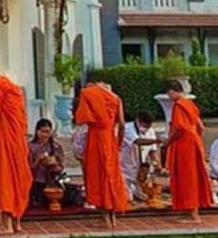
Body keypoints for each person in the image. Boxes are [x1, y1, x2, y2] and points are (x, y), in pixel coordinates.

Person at [0, 70, 32, 234]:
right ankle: (17, 223)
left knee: (4, 176)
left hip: (4, 135)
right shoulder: (15, 89)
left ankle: (5, 225)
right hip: (18, 138)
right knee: (17, 176)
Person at [74, 81, 128, 228]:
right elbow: (122, 124)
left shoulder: (89, 94)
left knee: (98, 175)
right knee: (111, 175)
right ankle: (113, 218)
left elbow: (80, 119)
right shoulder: (116, 98)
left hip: (96, 139)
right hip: (110, 138)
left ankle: (105, 218)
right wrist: (119, 143)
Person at [164, 80, 213, 221]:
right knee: (194, 174)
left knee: (186, 176)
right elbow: (200, 127)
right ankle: (190, 210)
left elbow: (179, 128)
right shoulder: (189, 104)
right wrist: (197, 140)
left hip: (184, 144)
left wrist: (168, 142)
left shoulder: (179, 105)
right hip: (194, 141)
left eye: (169, 94)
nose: (169, 97)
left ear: (172, 91)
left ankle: (193, 214)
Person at [28, 118, 83, 208]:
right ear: (37, 131)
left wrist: (55, 166)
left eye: (48, 132)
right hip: (37, 181)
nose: (45, 135)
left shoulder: (55, 146)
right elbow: (28, 168)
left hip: (53, 180)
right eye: (43, 131)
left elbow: (61, 167)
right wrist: (38, 161)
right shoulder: (30, 147)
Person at [120, 110, 158, 203]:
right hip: (126, 166)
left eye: (148, 127)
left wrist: (157, 163)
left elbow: (153, 150)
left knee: (145, 196)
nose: (145, 128)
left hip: (142, 169)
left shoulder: (151, 132)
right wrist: (156, 141)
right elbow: (138, 141)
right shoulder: (127, 129)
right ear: (138, 120)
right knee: (127, 198)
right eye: (144, 126)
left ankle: (136, 191)